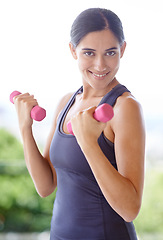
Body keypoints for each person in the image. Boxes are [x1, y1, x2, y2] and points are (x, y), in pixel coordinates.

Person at [13, 8, 145, 240]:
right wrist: (25, 129)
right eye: (89, 53)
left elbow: (129, 209)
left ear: (122, 50)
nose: (101, 64)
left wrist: (90, 144)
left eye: (110, 52)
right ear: (73, 51)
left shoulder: (125, 108)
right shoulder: (67, 102)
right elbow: (46, 187)